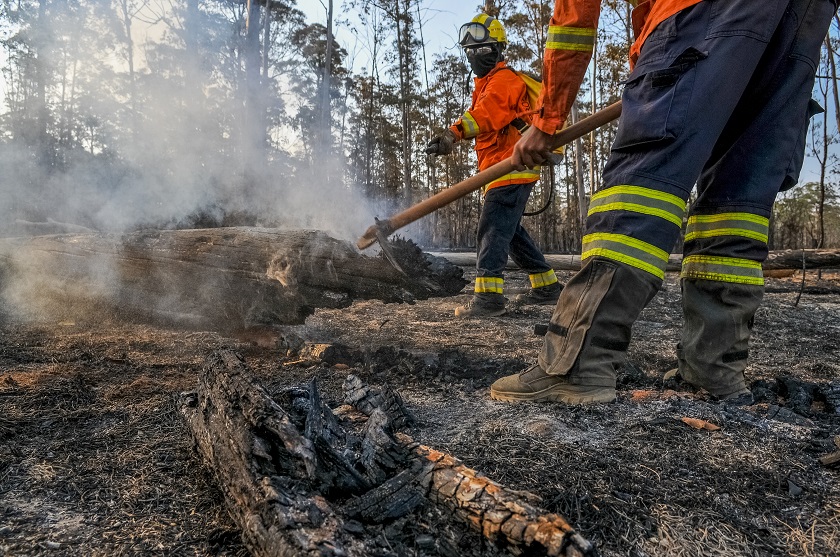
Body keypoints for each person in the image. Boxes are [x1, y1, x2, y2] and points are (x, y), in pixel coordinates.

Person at [490, 0, 837, 404]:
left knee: (640, 186)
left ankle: (576, 364)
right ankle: (714, 369)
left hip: (701, 15)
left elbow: (573, 17)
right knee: (735, 203)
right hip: (804, 20)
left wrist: (548, 116)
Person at [425, 14, 563, 319]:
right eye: (470, 52)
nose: (475, 57)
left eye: (483, 50)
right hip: (502, 169)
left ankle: (488, 299)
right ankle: (548, 287)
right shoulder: (486, 84)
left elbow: (487, 114)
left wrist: (453, 133)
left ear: (499, 50)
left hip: (511, 167)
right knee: (509, 232)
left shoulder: (504, 80)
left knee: (491, 229)